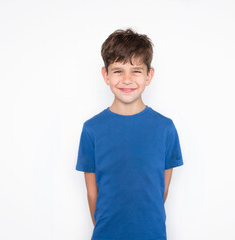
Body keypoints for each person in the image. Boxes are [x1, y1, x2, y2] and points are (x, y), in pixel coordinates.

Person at [76, 28, 184, 240]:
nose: (127, 79)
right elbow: (92, 193)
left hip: (152, 234)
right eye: (118, 71)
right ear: (105, 75)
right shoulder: (91, 129)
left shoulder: (165, 128)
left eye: (135, 70)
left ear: (149, 75)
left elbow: (161, 190)